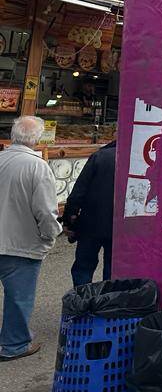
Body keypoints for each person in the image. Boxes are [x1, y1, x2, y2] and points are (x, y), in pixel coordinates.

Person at [0, 116, 61, 361]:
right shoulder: (38, 167)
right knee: (19, 299)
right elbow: (46, 211)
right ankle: (14, 345)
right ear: (36, 139)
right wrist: (51, 235)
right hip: (21, 245)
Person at [63, 138, 116, 286]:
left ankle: (82, 304)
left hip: (91, 222)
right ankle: (108, 303)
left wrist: (69, 220)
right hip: (120, 227)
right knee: (113, 270)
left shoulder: (100, 156)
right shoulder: (137, 158)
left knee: (83, 267)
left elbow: (78, 192)